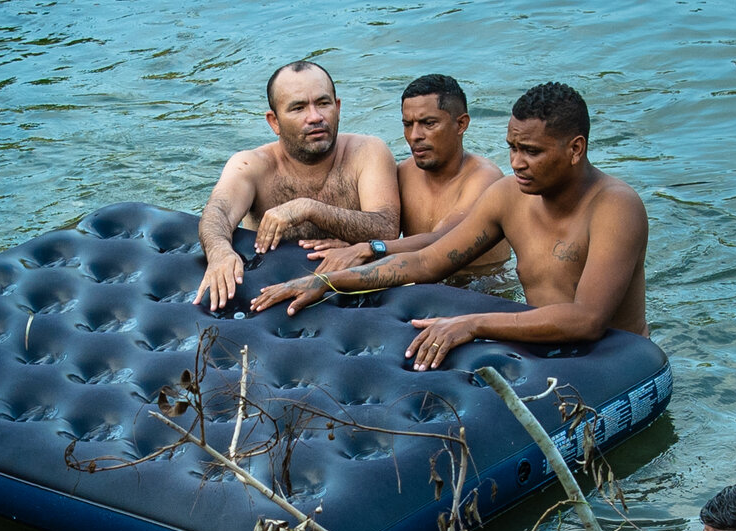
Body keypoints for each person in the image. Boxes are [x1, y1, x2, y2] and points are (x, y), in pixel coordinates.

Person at [248, 81, 648, 362]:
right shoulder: (509, 196)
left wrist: (472, 324)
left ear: (575, 148)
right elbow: (428, 260)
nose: (516, 163)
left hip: (617, 360)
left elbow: (587, 320)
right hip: (540, 344)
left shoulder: (616, 207)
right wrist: (326, 281)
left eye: (531, 152)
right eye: (511, 148)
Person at [190, 60, 402, 312]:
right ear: (274, 122)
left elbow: (388, 228)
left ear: (338, 107)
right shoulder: (251, 165)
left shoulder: (368, 152)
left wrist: (310, 209)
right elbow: (217, 214)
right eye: (298, 108)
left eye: (323, 103)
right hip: (272, 295)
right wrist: (220, 252)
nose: (315, 117)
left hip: (352, 295)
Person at [301, 74, 512, 292]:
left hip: (483, 289)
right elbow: (382, 227)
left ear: (461, 124)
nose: (414, 136)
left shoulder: (485, 178)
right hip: (420, 283)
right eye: (407, 124)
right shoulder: (404, 172)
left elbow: (444, 240)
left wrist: (369, 248)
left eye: (428, 123)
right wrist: (349, 245)